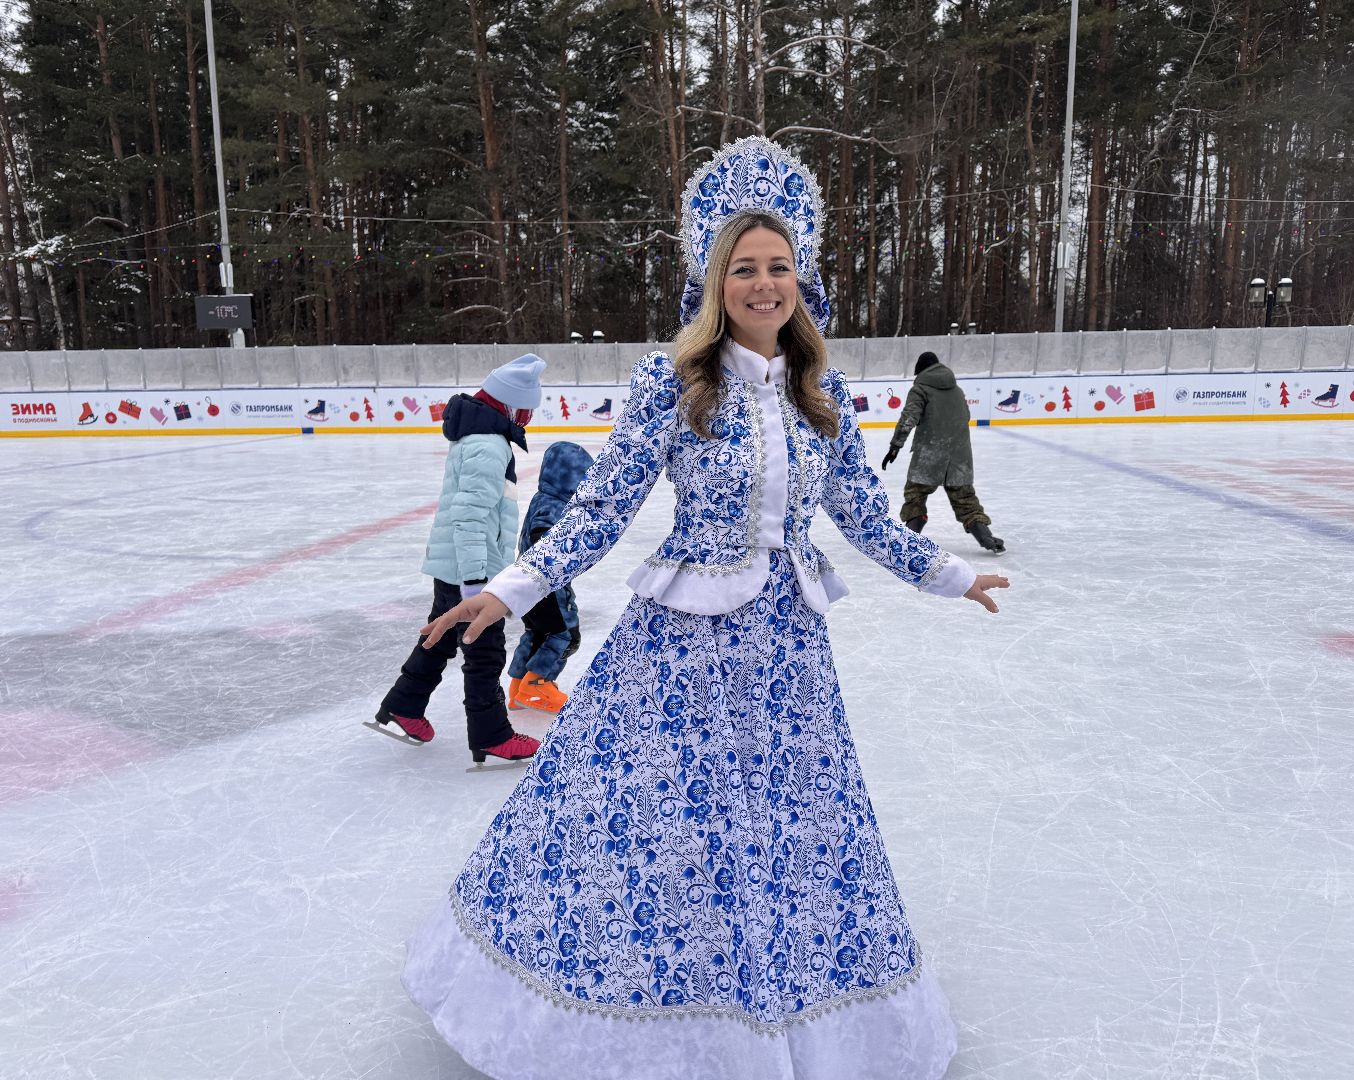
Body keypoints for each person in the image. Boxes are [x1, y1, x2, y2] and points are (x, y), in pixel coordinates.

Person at [400, 138, 1010, 1080]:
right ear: (716, 280)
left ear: (800, 279)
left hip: (788, 653)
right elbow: (603, 508)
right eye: (744, 270)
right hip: (682, 649)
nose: (763, 286)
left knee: (792, 834)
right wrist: (509, 589)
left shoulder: (824, 394)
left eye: (778, 268)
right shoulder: (674, 382)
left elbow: (859, 514)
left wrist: (950, 576)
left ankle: (794, 1014)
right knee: (660, 832)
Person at [367, 353, 547, 766]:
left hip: (456, 565)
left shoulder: (478, 436)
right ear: (511, 405)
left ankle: (404, 705)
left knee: (440, 637)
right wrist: (475, 581)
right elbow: (469, 516)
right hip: (473, 569)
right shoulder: (489, 445)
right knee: (485, 653)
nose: (528, 419)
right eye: (527, 410)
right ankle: (491, 734)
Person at [882, 351, 1005, 553]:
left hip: (929, 454)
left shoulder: (920, 389)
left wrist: (895, 446)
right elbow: (965, 416)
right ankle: (987, 538)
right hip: (960, 457)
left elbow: (908, 419)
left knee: (915, 494)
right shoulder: (957, 390)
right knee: (965, 499)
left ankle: (910, 538)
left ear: (920, 371)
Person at [506, 441, 595, 714]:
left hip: (526, 580)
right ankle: (537, 685)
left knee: (536, 633)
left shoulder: (541, 498)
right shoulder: (556, 508)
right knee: (563, 635)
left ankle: (519, 686)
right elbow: (542, 539)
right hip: (546, 587)